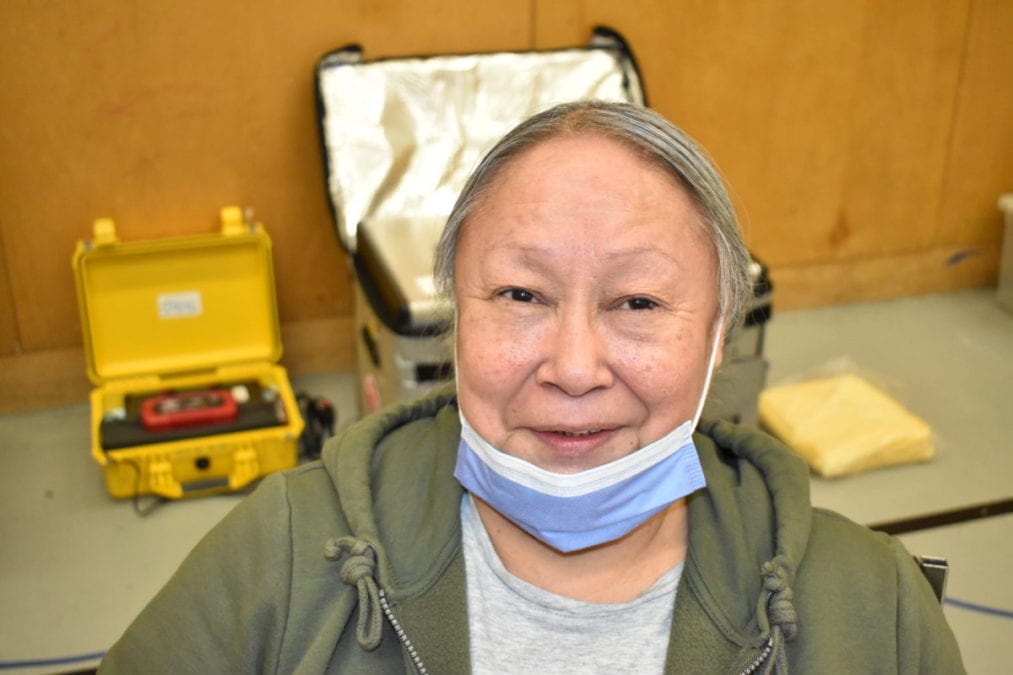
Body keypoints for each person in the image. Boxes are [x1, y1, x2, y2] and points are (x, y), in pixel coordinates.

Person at [99, 101, 964, 674]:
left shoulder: (871, 609)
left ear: (716, 336)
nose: (575, 368)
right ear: (456, 321)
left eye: (637, 301)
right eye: (520, 295)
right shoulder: (284, 554)